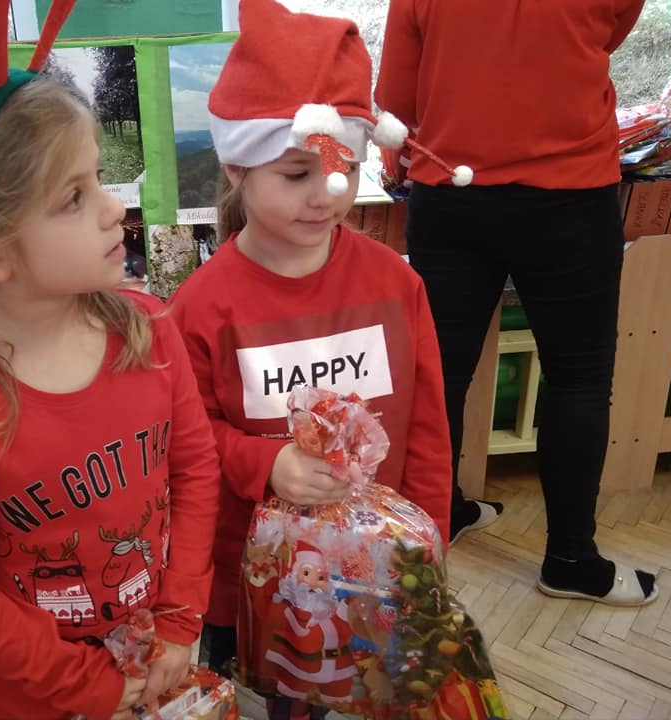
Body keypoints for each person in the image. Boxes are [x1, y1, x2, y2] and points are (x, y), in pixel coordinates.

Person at [0, 3, 221, 718]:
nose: (113, 207)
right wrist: (85, 683)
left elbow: (194, 472)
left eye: (100, 177)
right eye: (73, 198)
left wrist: (182, 620)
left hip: (160, 663)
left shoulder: (149, 329)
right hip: (35, 698)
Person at [168, 0, 462, 716]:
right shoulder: (202, 306)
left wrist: (429, 544)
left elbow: (428, 427)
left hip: (377, 575)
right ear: (237, 166)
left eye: (344, 169)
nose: (327, 195)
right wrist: (264, 462)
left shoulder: (396, 283)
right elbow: (184, 442)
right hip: (252, 584)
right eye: (297, 172)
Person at [375, 0, 659, 605]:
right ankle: (571, 559)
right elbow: (607, 35)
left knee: (439, 375)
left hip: (451, 191)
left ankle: (436, 519)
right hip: (571, 197)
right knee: (579, 379)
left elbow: (396, 98)